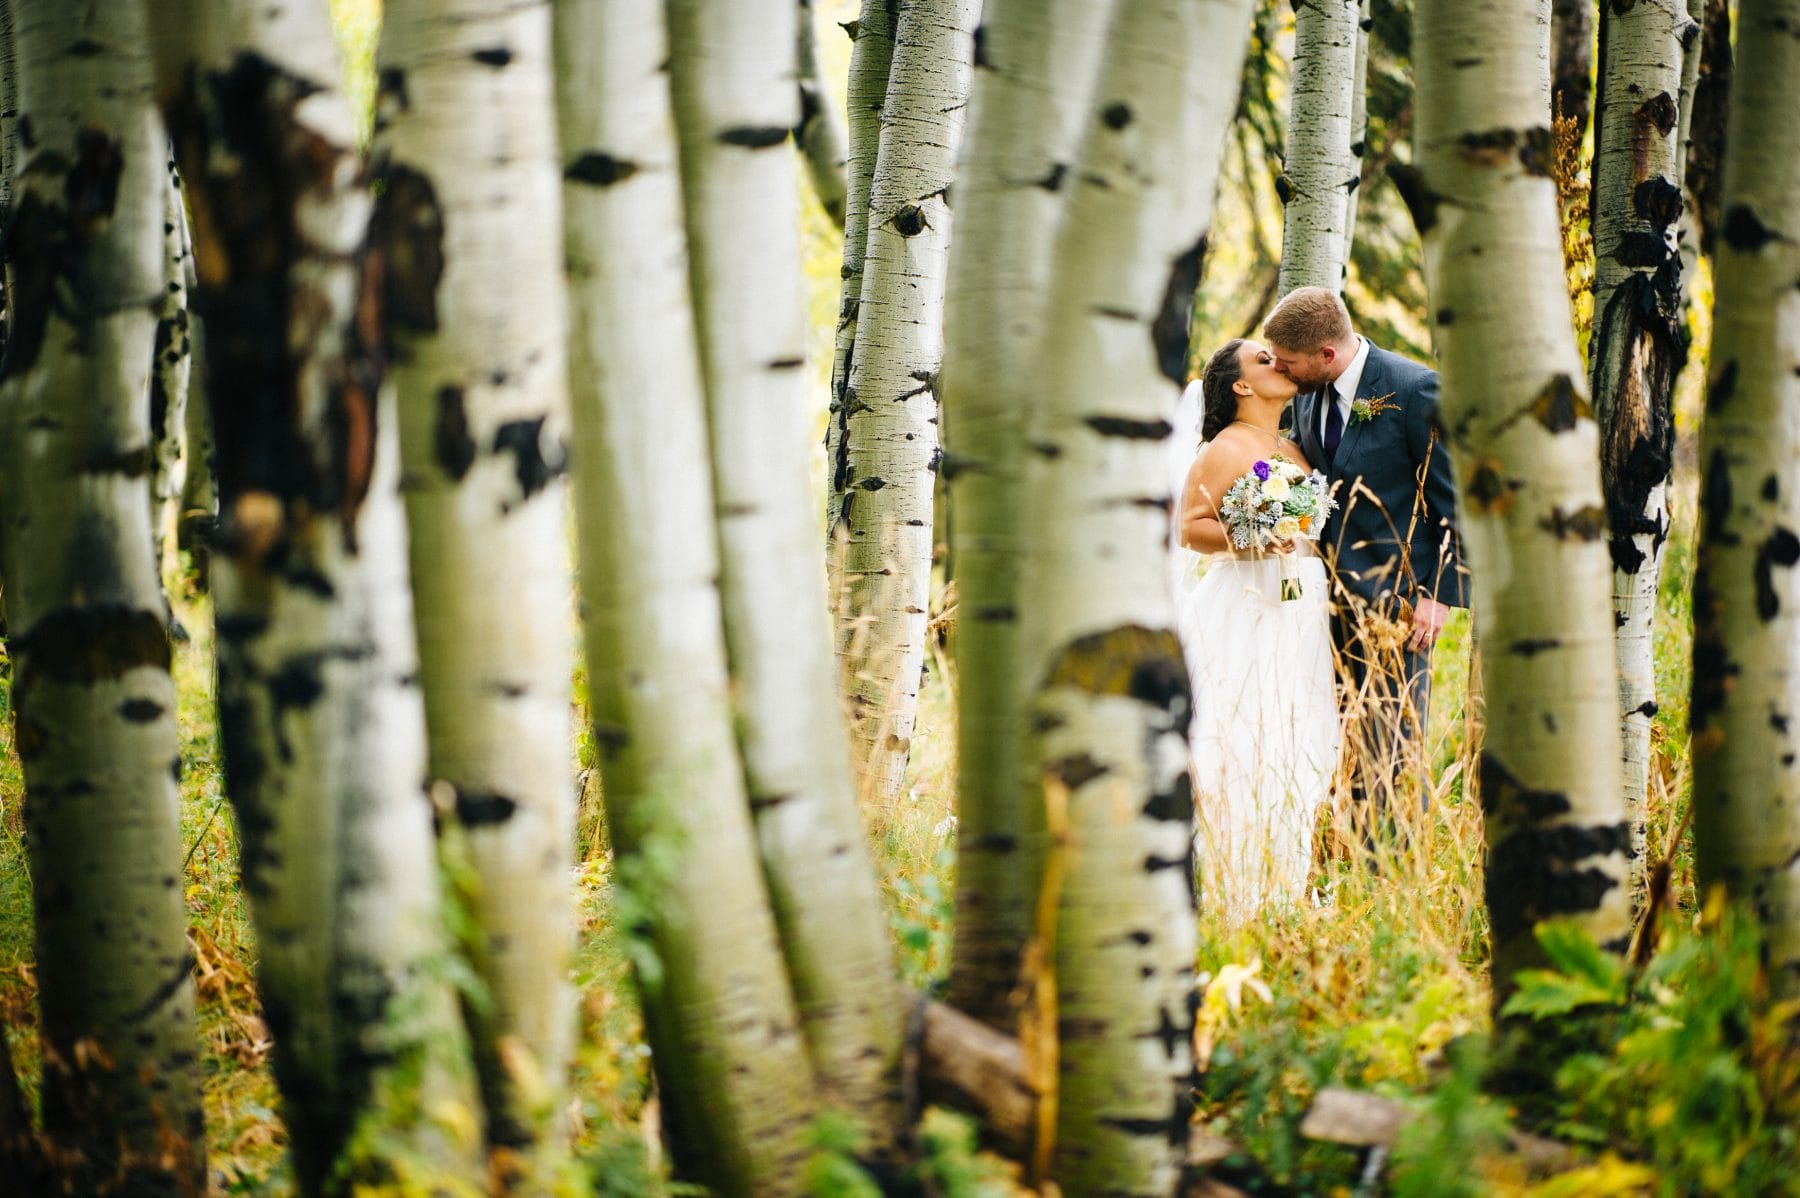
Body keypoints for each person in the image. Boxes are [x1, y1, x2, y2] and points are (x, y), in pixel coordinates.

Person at [1261, 286, 1466, 823]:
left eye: (1289, 363)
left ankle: (1392, 872)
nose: (1282, 373)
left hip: (1396, 605)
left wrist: (1438, 597)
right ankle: (1339, 858)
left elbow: (1456, 503)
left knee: (1390, 744)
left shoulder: (1414, 390)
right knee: (1332, 736)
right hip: (1315, 603)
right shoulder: (1305, 392)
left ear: (1326, 355)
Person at [1176, 339, 1340, 920]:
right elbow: (1189, 528)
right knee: (1241, 738)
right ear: (1242, 386)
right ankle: (1226, 889)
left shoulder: (1289, 445)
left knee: (1291, 739)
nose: (1278, 362)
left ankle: (1279, 888)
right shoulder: (1226, 447)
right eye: (1262, 359)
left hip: (1298, 604)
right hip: (1246, 606)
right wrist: (1250, 536)